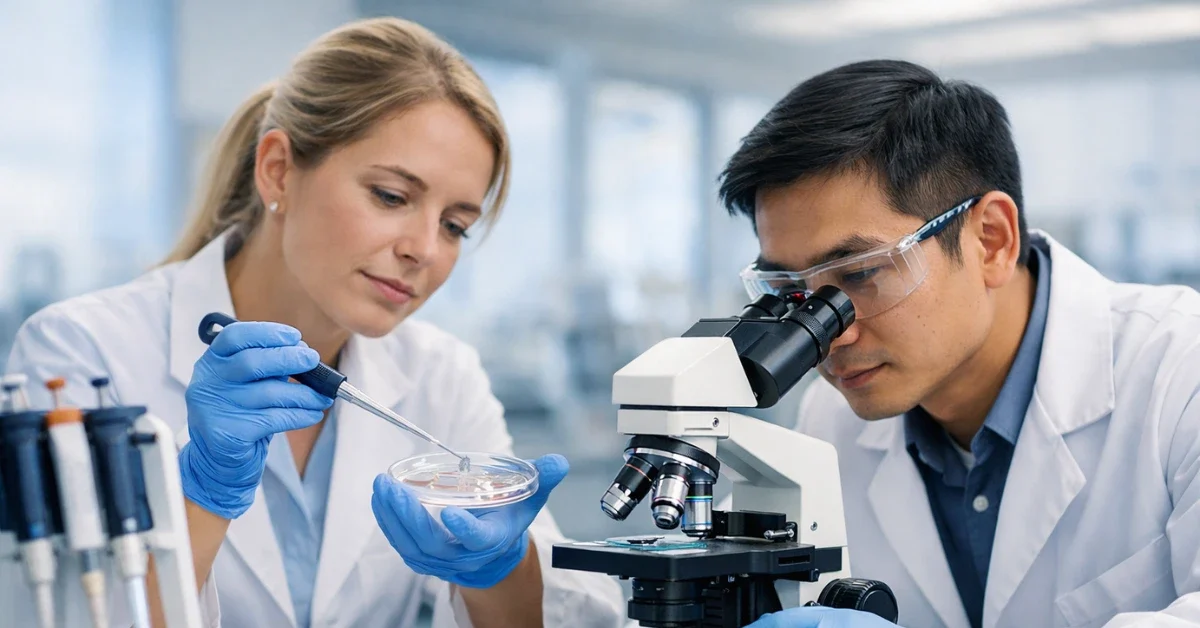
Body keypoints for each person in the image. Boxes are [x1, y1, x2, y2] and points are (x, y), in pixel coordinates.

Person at [3, 17, 623, 628]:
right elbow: (61, 613)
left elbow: (563, 621)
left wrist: (498, 568)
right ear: (277, 169)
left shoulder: (441, 376)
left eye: (455, 225)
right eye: (390, 195)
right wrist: (201, 497)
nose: (425, 250)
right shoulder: (82, 352)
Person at [725, 61, 1200, 628]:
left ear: (991, 240)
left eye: (861, 274)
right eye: (794, 292)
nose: (831, 336)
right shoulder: (833, 419)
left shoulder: (1180, 370)